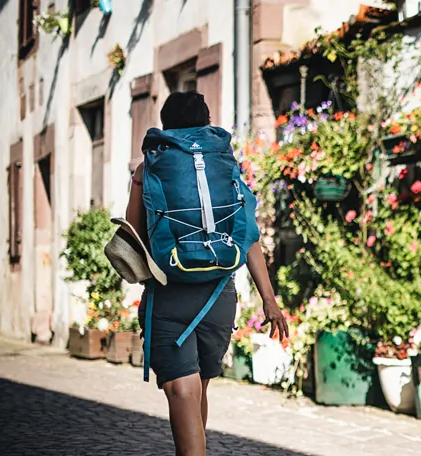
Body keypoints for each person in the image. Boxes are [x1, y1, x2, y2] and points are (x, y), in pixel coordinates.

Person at [126, 92, 289, 456]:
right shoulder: (222, 165)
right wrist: (269, 300)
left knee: (182, 389)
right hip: (219, 297)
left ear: (166, 124)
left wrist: (139, 184)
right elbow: (247, 234)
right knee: (197, 387)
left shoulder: (149, 167)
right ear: (206, 122)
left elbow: (133, 234)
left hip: (169, 294)